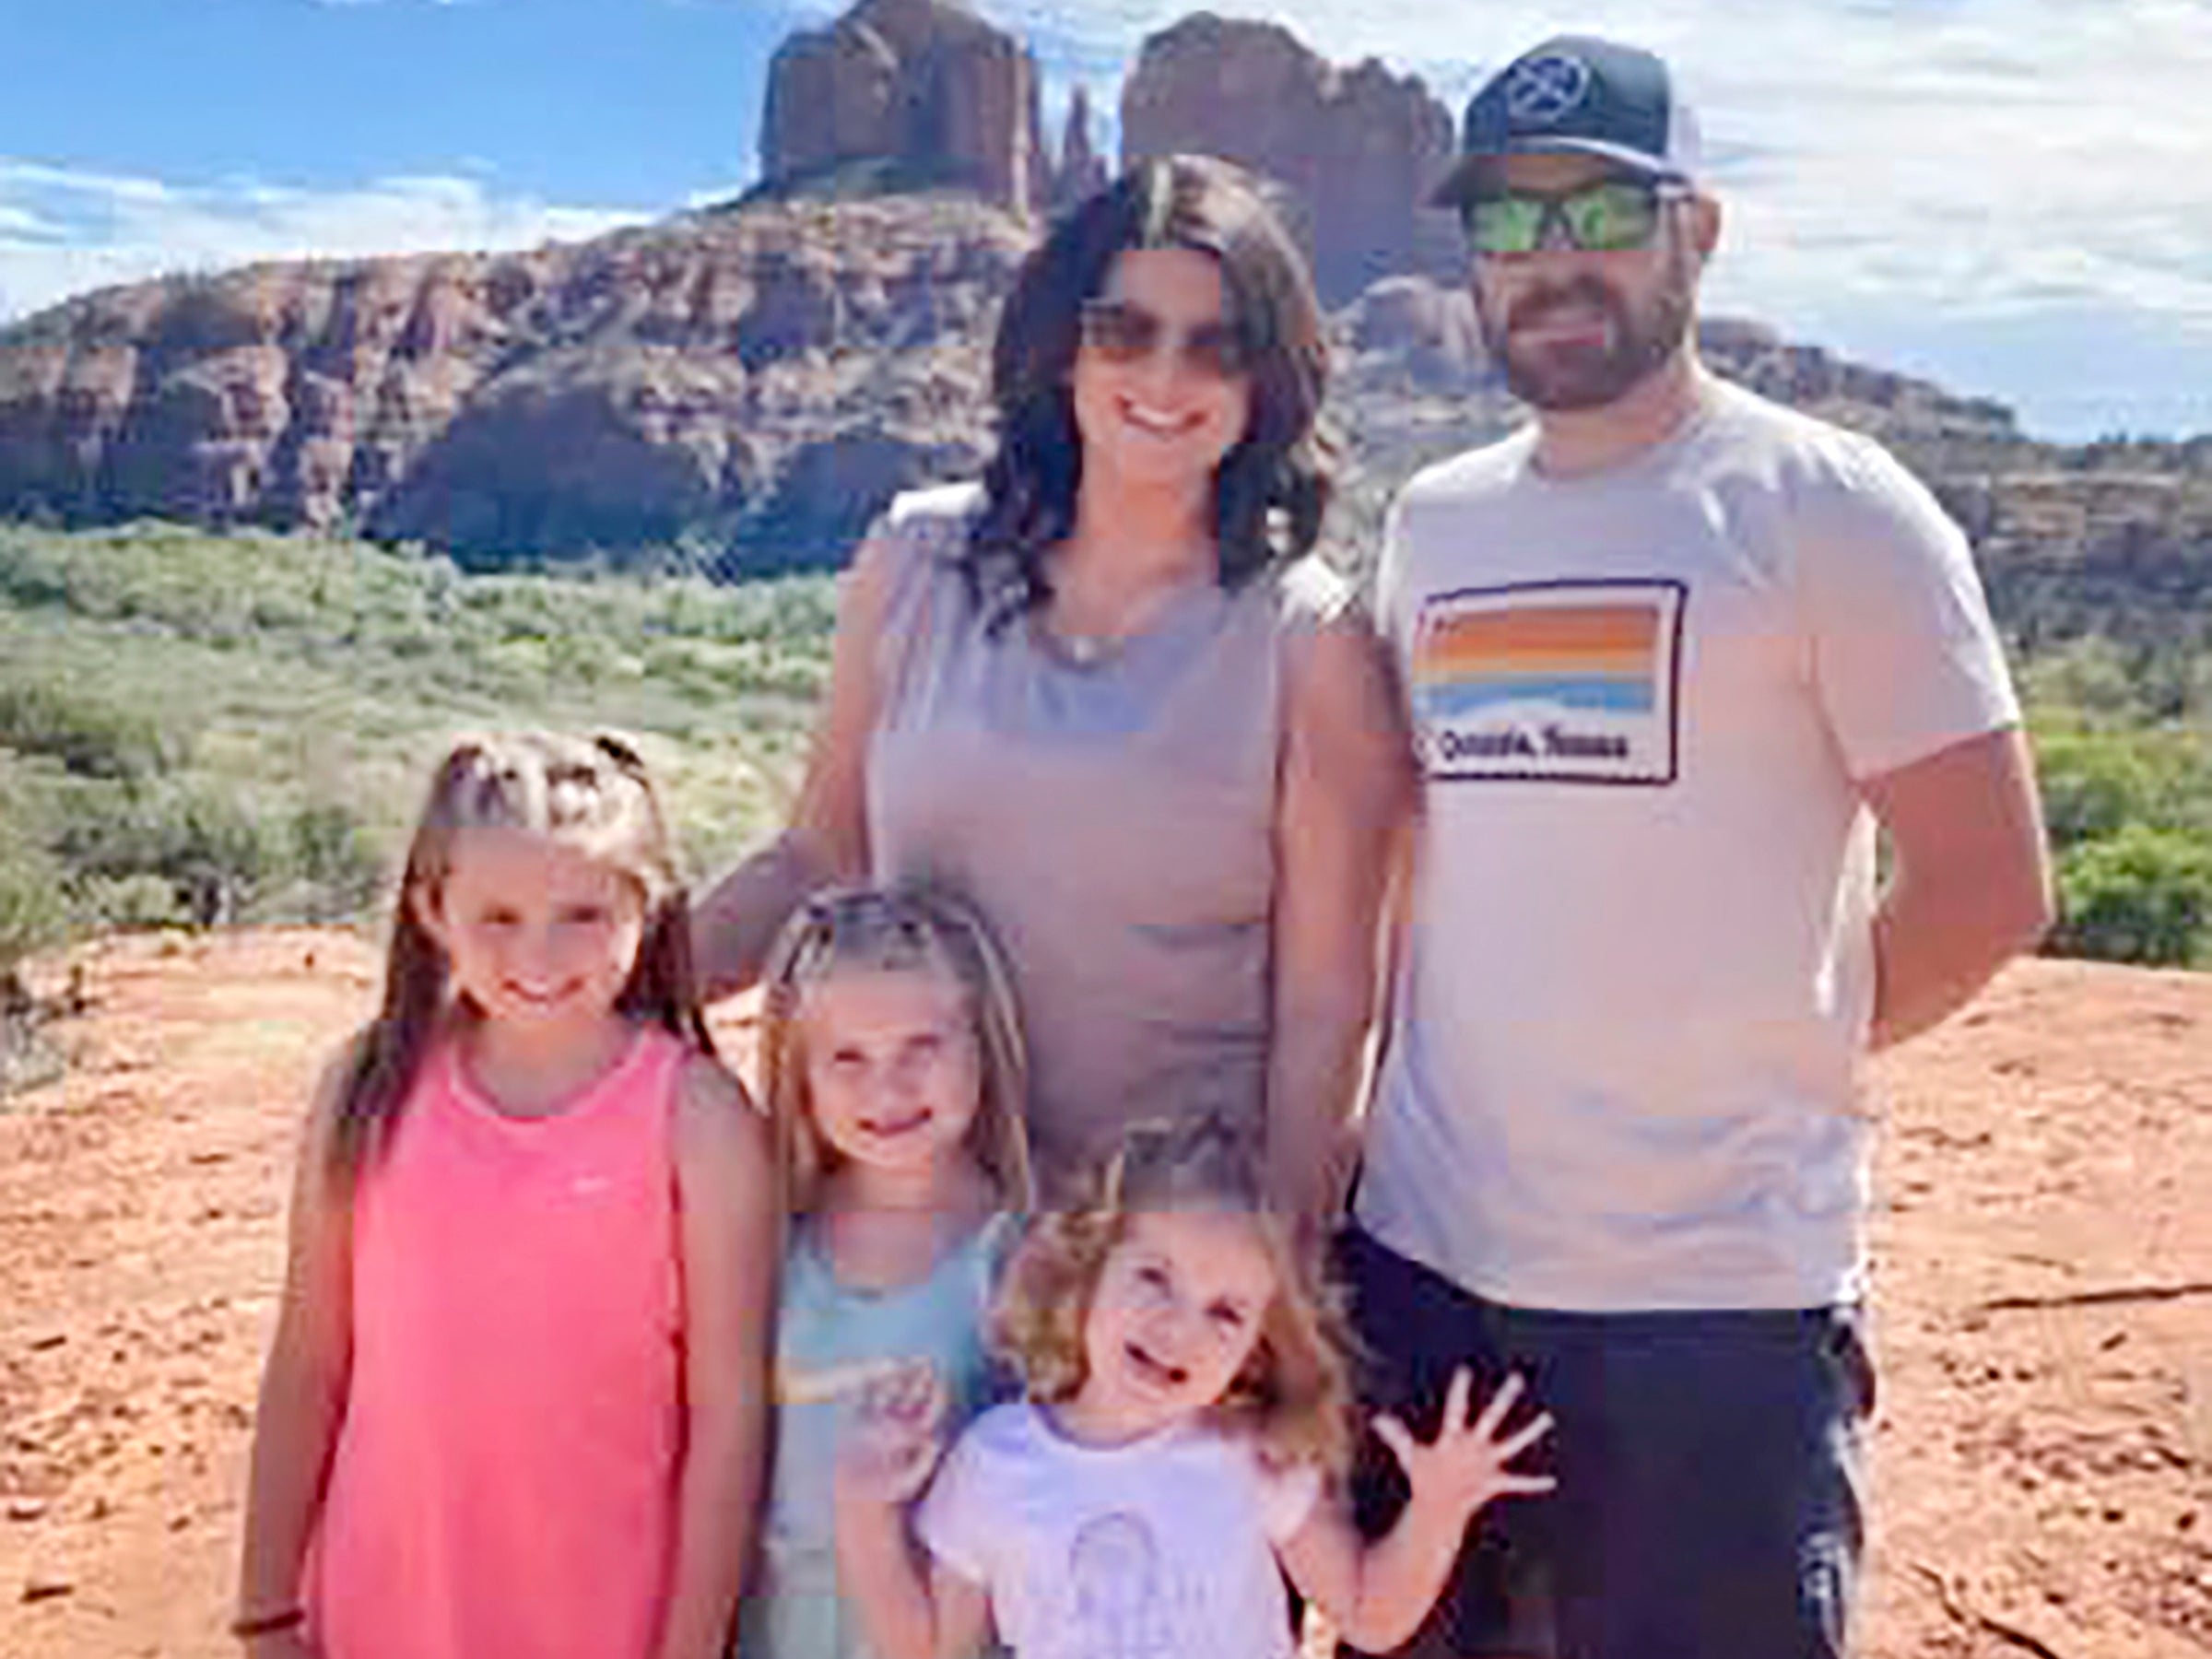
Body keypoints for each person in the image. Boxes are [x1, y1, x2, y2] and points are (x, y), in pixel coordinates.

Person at [1341, 34, 2057, 1658]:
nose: (1551, 261)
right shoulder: (1435, 523)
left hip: (1715, 1310)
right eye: (1509, 225)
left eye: (1596, 207)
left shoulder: (1831, 507)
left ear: (1697, 230)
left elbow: (1992, 885)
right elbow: (1414, 848)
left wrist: (1777, 1034)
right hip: (1429, 1271)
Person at [692, 154, 1411, 1208]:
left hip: (1142, 1278)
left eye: (1217, 348)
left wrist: (1276, 1277)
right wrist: (587, 997)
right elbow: (818, 853)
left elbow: (1324, 1005)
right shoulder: (915, 561)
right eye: (1125, 330)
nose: (1165, 379)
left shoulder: (1308, 640)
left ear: (1265, 383)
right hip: (908, 1232)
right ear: (1063, 346)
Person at [233, 733, 777, 1659]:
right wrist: (266, 1611)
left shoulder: (698, 1119)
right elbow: (309, 1358)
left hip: (609, 1617)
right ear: (432, 909)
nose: (540, 953)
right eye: (497, 917)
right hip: (384, 1608)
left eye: (583, 914)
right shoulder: (369, 1088)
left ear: (649, 908)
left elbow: (728, 1411)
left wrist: (691, 1646)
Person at [832, 1117, 1557, 1659]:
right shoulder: (995, 1465)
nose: (1179, 1327)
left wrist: (1438, 1507)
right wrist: (863, 1512)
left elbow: (1369, 1615)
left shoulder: (1251, 1457)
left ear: (1253, 1352)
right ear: (1088, 1267)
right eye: (1154, 1278)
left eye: (1225, 1313)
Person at [743, 882, 1035, 1659]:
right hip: (782, 1631)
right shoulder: (768, 1242)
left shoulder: (1025, 1251)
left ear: (981, 1039)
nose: (890, 1087)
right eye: (847, 1058)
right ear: (800, 1071)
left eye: (922, 1048)